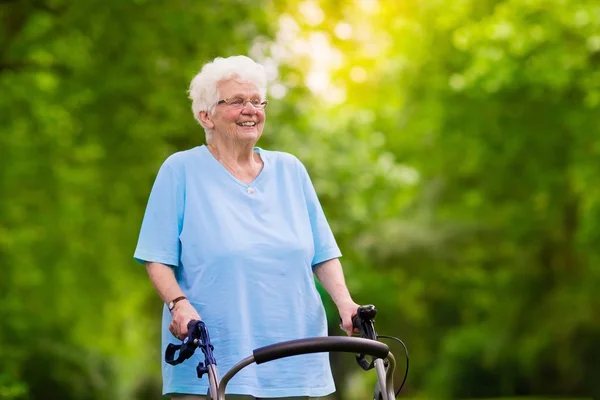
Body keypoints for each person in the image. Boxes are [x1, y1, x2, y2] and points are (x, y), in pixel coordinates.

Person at [134, 55, 359, 399]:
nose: (251, 109)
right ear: (204, 115)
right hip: (214, 356)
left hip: (294, 357)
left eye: (257, 101)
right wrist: (178, 304)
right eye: (237, 101)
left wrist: (346, 304)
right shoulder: (180, 170)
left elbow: (323, 254)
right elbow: (157, 257)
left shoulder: (291, 170)